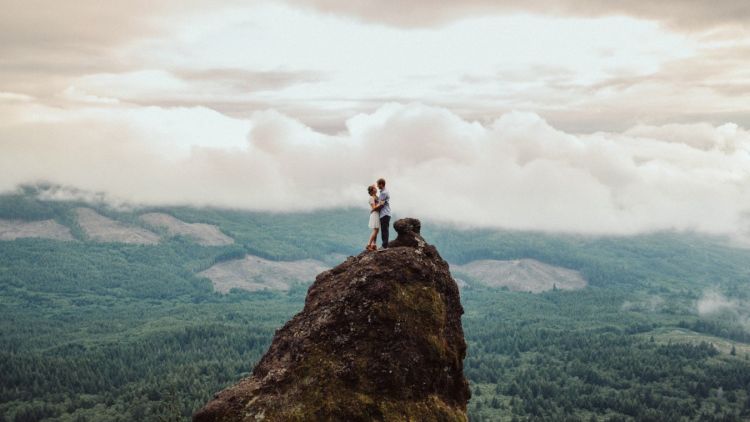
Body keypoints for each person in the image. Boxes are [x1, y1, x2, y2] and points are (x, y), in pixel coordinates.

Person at [374, 178, 391, 248]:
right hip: (384, 214)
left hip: (384, 214)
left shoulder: (384, 193)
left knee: (384, 230)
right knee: (384, 230)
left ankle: (384, 246)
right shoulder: (383, 192)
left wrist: (374, 209)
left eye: (378, 184)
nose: (377, 186)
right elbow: (380, 201)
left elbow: (381, 204)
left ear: (381, 184)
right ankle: (384, 245)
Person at [366, 185, 380, 251]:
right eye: (374, 188)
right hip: (375, 214)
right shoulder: (371, 198)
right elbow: (374, 207)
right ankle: (368, 244)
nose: (376, 189)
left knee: (377, 230)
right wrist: (380, 204)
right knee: (376, 230)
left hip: (377, 213)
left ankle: (374, 244)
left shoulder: (376, 197)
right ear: (372, 190)